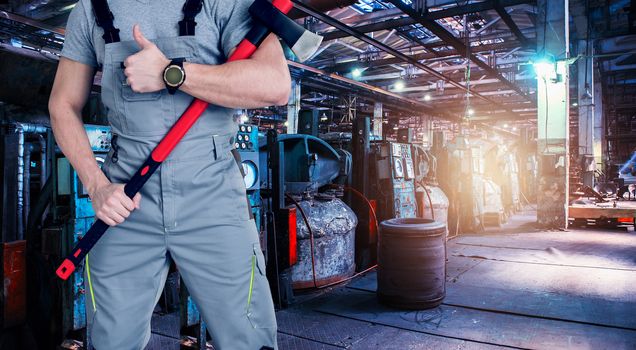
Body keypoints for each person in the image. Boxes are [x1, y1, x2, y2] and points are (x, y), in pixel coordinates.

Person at [48, 0, 290, 349]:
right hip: (125, 201)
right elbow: (62, 104)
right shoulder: (89, 9)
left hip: (213, 197)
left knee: (248, 337)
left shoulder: (225, 2)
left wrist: (171, 73)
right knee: (112, 340)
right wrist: (96, 184)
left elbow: (275, 84)